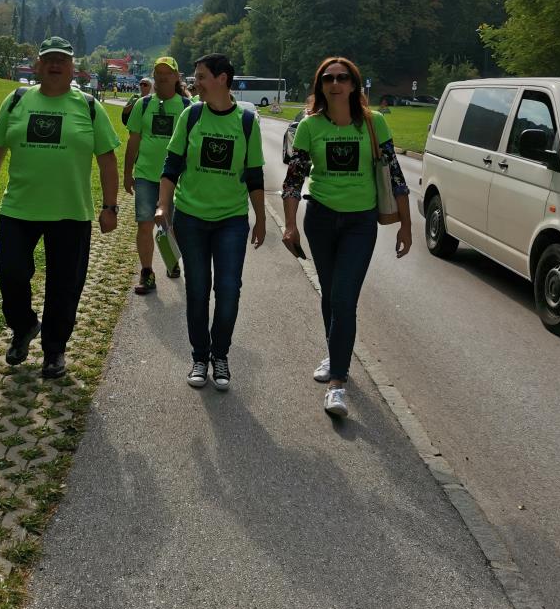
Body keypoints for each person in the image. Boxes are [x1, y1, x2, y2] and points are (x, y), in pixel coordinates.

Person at [0, 36, 120, 379]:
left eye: (62, 60)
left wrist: (110, 207)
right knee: (10, 272)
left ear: (72, 68)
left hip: (71, 212)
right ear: (38, 64)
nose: (55, 64)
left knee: (64, 287)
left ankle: (54, 351)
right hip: (19, 209)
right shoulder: (17, 100)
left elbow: (107, 159)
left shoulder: (88, 106)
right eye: (49, 59)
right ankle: (23, 326)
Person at [281, 57, 411, 418]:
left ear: (354, 84)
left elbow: (395, 176)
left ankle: (337, 383)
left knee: (343, 298)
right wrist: (290, 225)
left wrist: (406, 225)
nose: (335, 83)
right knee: (330, 294)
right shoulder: (309, 126)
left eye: (342, 78)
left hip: (360, 223)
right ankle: (334, 353)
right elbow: (293, 181)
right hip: (320, 219)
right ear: (320, 86)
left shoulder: (373, 123)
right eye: (328, 78)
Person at [155, 53, 265, 391]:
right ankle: (200, 357)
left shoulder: (247, 122)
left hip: (231, 220)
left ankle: (221, 355)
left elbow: (254, 175)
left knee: (229, 290)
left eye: (201, 76)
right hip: (191, 218)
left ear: (222, 79)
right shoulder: (191, 116)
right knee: (198, 290)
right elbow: (171, 165)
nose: (196, 83)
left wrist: (261, 218)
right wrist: (163, 206)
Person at [124, 57, 191, 294]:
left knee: (171, 226)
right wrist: (127, 173)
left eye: (167, 73)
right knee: (144, 224)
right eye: (158, 73)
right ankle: (147, 273)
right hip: (145, 175)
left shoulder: (187, 107)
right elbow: (133, 141)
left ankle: (172, 261)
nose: (162, 77)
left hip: (175, 179)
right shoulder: (143, 105)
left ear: (176, 77)